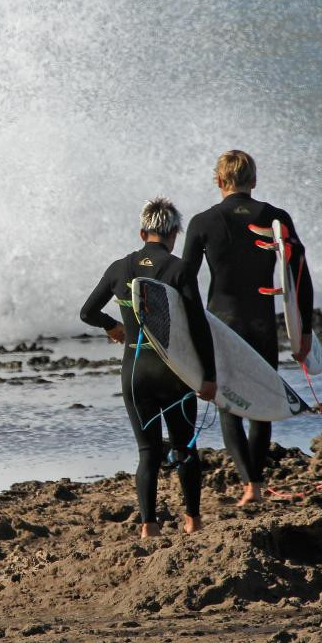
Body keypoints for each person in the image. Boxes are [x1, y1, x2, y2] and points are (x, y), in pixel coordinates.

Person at [182, 150, 315, 505]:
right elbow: (300, 277)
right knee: (262, 400)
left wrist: (184, 331)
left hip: (222, 324)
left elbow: (184, 282)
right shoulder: (276, 218)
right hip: (261, 323)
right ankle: (255, 483)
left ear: (219, 181)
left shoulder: (202, 222)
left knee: (230, 406)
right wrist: (304, 332)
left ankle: (250, 486)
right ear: (253, 180)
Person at [80, 198, 217, 537]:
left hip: (134, 372)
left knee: (147, 452)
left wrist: (112, 326)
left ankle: (148, 526)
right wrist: (209, 376)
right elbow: (198, 326)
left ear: (143, 232)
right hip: (173, 372)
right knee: (184, 446)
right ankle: (193, 521)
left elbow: (87, 313)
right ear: (174, 233)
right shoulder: (179, 269)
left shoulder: (119, 268)